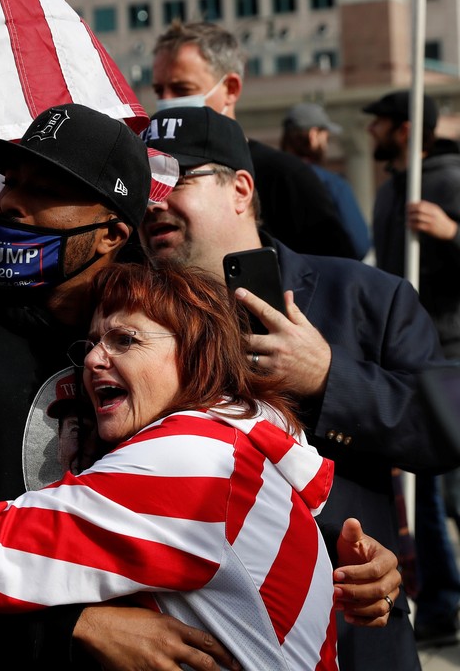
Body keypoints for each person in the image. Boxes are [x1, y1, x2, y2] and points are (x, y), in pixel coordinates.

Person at [0, 102, 400, 670]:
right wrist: (73, 628)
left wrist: (340, 562)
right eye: (12, 182)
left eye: (44, 189)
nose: (10, 203)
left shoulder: (164, 338)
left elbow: (240, 488)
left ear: (111, 233)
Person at [0, 261, 340, 669]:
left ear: (197, 353)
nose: (93, 359)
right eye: (93, 341)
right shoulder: (240, 435)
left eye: (125, 339)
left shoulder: (191, 461)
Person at [141, 104, 460, 669]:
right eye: (145, 186)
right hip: (204, 646)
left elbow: (446, 428)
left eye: (177, 178)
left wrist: (329, 378)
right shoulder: (126, 321)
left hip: (354, 632)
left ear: (241, 189)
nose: (155, 201)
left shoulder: (364, 296)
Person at [364, 88, 460, 643]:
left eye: (378, 123)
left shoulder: (450, 181)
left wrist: (452, 233)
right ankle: (441, 603)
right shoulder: (389, 191)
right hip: (407, 358)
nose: (369, 132)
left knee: (453, 491)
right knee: (422, 491)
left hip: (452, 351)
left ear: (403, 129)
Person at [151, 21, 357, 259]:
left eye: (182, 89)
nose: (167, 100)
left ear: (231, 88)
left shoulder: (286, 177)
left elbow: (333, 268)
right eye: (159, 91)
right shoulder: (147, 167)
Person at [280, 102, 371, 260]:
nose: (327, 144)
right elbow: (359, 245)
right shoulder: (331, 183)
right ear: (313, 135)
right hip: (322, 271)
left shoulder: (264, 180)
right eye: (326, 137)